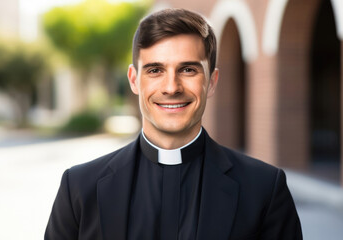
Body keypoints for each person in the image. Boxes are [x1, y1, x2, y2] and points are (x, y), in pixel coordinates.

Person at [45, 8, 302, 240]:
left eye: (188, 70)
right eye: (155, 70)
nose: (171, 88)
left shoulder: (264, 189)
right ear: (134, 81)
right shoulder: (79, 187)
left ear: (211, 81)